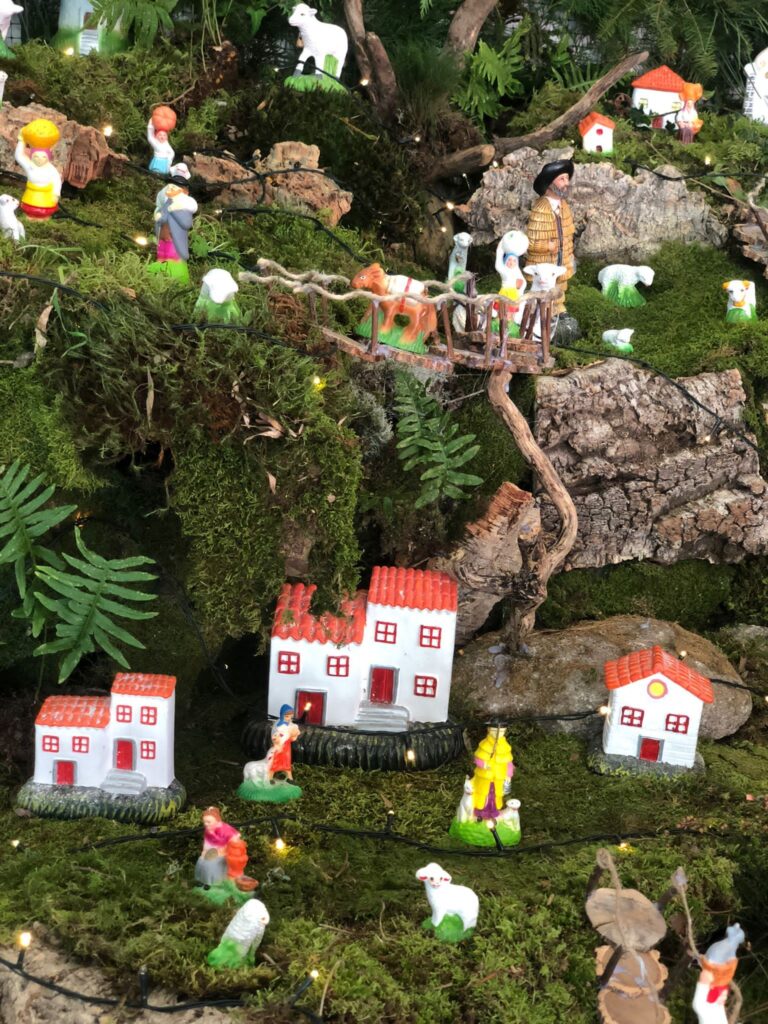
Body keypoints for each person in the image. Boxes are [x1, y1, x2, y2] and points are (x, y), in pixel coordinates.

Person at [525, 159, 576, 316]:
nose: (566, 183)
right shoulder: (541, 208)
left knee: (561, 284)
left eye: (567, 178)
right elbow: (531, 243)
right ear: (549, 183)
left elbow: (569, 233)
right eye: (562, 179)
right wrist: (547, 247)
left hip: (562, 258)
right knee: (544, 287)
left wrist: (569, 253)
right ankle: (542, 310)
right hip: (545, 262)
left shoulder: (564, 206)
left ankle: (558, 306)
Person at [150, 174, 198, 283]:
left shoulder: (183, 207)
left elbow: (186, 223)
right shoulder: (166, 203)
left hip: (173, 241)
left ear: (184, 191)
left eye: (175, 187)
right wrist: (159, 216)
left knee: (173, 260)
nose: (171, 189)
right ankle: (160, 277)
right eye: (170, 186)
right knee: (161, 258)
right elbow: (163, 216)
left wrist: (174, 211)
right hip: (162, 239)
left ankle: (176, 280)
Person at [470, 725, 515, 825]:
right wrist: (484, 765)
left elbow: (509, 763)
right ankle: (480, 813)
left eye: (502, 731)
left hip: (498, 778)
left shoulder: (505, 746)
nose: (498, 734)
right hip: (485, 777)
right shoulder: (485, 744)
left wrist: (508, 775)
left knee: (495, 796)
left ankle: (492, 814)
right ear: (489, 730)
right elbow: (477, 759)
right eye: (495, 731)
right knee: (483, 794)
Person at [15, 130, 62, 219]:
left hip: (46, 197)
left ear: (48, 158)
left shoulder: (51, 169)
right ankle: (29, 215)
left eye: (43, 157)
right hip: (30, 195)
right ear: (32, 157)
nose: (40, 159)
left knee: (45, 210)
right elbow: (19, 156)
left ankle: (44, 217)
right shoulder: (30, 165)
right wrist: (21, 140)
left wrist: (56, 194)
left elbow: (57, 181)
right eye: (36, 156)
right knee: (28, 207)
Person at [268, 704, 300, 782]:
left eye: (290, 716)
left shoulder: (289, 723)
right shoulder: (278, 724)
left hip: (286, 747)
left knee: (286, 762)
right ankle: (269, 778)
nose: (289, 718)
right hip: (278, 748)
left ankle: (289, 778)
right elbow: (275, 736)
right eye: (287, 716)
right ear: (282, 715)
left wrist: (294, 733)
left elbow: (292, 733)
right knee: (275, 762)